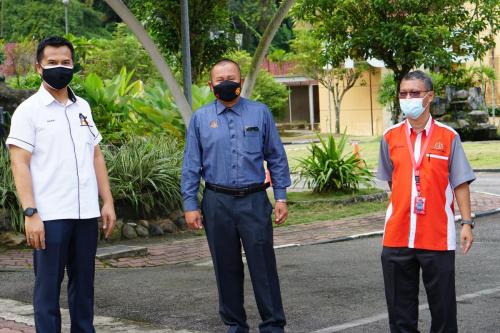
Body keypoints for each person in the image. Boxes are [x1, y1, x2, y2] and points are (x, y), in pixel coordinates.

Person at [6, 36, 116, 333]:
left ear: (73, 65)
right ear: (39, 67)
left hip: (85, 215)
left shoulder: (83, 107)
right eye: (52, 62)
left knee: (84, 290)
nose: (59, 68)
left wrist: (106, 201)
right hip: (49, 216)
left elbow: (95, 154)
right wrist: (31, 213)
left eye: (65, 62)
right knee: (47, 293)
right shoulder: (28, 111)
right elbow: (19, 163)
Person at [181, 59, 291, 333]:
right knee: (225, 266)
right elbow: (191, 164)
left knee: (263, 265)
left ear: (240, 82)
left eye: (231, 77)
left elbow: (276, 157)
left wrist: (280, 197)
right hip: (217, 202)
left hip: (254, 201)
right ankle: (234, 324)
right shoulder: (201, 118)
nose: (226, 82)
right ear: (211, 85)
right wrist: (190, 204)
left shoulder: (260, 113)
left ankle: (273, 324)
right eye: (220, 79)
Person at [377, 70, 475, 333]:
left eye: (415, 93)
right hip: (397, 237)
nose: (408, 98)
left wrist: (466, 223)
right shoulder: (389, 137)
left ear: (429, 96)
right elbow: (392, 180)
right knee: (400, 315)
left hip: (437, 237)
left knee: (443, 313)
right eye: (403, 93)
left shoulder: (448, 137)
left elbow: (460, 184)